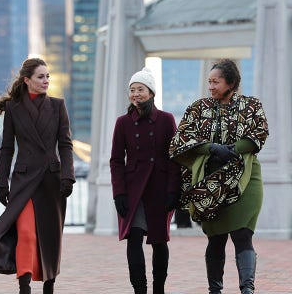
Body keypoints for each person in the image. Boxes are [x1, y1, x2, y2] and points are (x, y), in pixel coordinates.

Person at [0, 58, 75, 294]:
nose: (46, 81)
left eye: (48, 76)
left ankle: (49, 285)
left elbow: (66, 145)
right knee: (27, 234)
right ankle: (24, 286)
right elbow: (7, 147)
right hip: (24, 181)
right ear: (27, 80)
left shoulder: (58, 106)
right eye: (41, 77)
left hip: (52, 181)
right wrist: (1, 182)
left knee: (50, 237)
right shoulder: (13, 109)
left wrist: (67, 176)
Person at [169, 59, 269, 294]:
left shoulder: (251, 105)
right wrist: (211, 148)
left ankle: (247, 289)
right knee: (216, 239)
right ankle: (215, 290)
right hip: (210, 183)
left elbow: (260, 132)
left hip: (245, 178)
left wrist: (234, 150)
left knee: (243, 233)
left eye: (216, 82)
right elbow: (178, 141)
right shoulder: (198, 107)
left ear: (231, 82)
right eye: (209, 82)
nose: (211, 87)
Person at [110, 67, 182, 294]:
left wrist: (174, 191)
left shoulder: (166, 119)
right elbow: (115, 161)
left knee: (159, 241)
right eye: (132, 90)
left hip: (159, 188)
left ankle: (158, 289)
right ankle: (139, 290)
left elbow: (174, 158)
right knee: (134, 238)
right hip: (133, 190)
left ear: (151, 92)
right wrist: (118, 193)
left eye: (140, 89)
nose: (135, 94)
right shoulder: (123, 122)